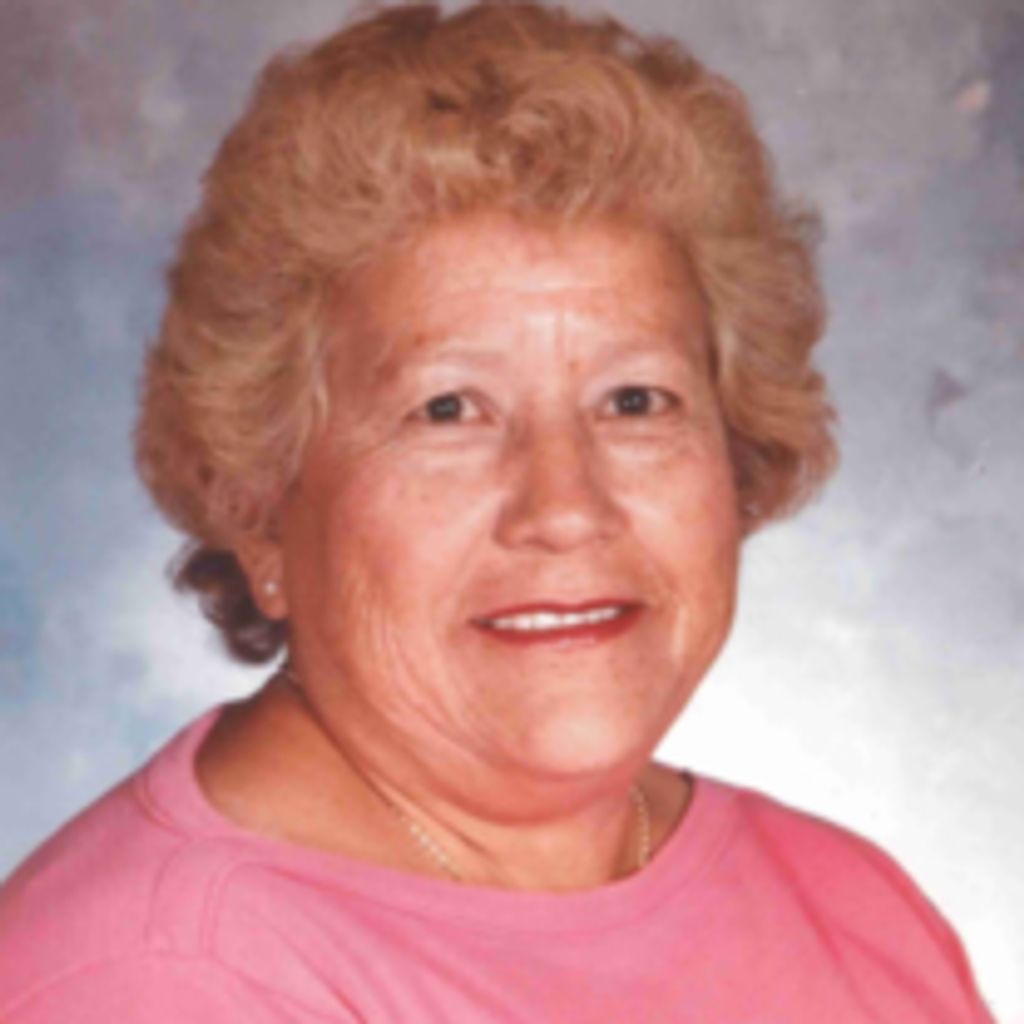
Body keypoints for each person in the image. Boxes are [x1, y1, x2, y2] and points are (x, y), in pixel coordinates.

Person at [0, 3, 995, 1021]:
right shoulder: (156, 980)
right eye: (447, 410)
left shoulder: (852, 910)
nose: (565, 508)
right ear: (259, 508)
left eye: (635, 400)